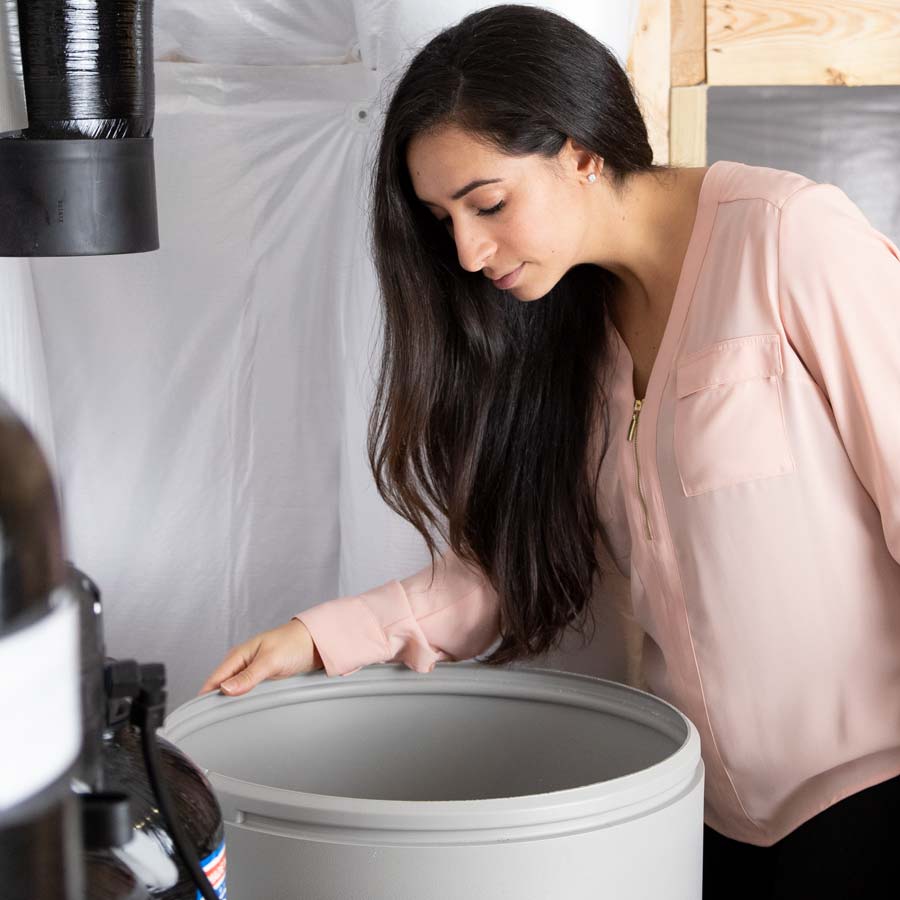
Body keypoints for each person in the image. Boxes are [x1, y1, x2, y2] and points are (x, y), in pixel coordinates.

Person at [199, 4, 900, 896]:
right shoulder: (566, 328)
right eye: (441, 218)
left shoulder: (788, 238)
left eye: (487, 203)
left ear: (580, 150)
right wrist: (316, 636)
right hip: (697, 815)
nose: (465, 249)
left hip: (872, 802)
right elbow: (515, 559)